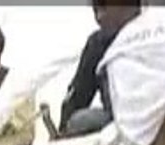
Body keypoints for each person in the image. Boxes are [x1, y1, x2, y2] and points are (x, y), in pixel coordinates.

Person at [59, 0, 140, 134]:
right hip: (118, 125)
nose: (99, 17)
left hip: (163, 120)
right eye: (95, 10)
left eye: (103, 6)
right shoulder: (98, 44)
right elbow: (77, 96)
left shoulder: (164, 31)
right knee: (79, 121)